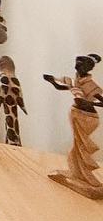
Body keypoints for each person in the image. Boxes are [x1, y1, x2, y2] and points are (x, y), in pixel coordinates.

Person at [44, 53, 103, 191]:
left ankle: (89, 179)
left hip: (87, 117)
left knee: (81, 148)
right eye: (77, 64)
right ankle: (77, 173)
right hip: (77, 114)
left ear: (88, 67)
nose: (77, 67)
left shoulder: (90, 85)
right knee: (77, 148)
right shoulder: (76, 80)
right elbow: (63, 86)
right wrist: (52, 81)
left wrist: (89, 102)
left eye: (81, 65)